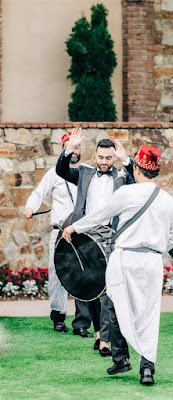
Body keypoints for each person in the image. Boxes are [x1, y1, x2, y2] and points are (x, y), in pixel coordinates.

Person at [62, 144, 173, 385]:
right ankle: (147, 367)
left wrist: (75, 227)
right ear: (155, 171)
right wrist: (156, 250)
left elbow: (100, 215)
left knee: (114, 305)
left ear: (137, 169)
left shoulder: (126, 194)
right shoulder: (168, 200)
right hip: (152, 262)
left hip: (124, 258)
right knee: (148, 313)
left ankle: (121, 358)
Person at [56, 127, 133, 356]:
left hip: (110, 236)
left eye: (109, 158)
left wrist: (125, 159)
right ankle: (99, 331)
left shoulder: (121, 177)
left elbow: (138, 180)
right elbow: (61, 170)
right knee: (91, 286)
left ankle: (105, 341)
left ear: (113, 157)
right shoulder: (84, 173)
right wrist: (70, 148)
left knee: (108, 288)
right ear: (95, 155)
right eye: (101, 157)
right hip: (85, 237)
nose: (104, 162)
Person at [24, 132, 81, 333]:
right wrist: (30, 207)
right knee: (57, 273)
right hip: (59, 231)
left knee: (83, 273)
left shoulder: (87, 172)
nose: (74, 151)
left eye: (76, 147)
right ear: (63, 148)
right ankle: (58, 317)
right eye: (69, 146)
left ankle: (82, 322)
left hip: (81, 232)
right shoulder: (54, 173)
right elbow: (39, 192)